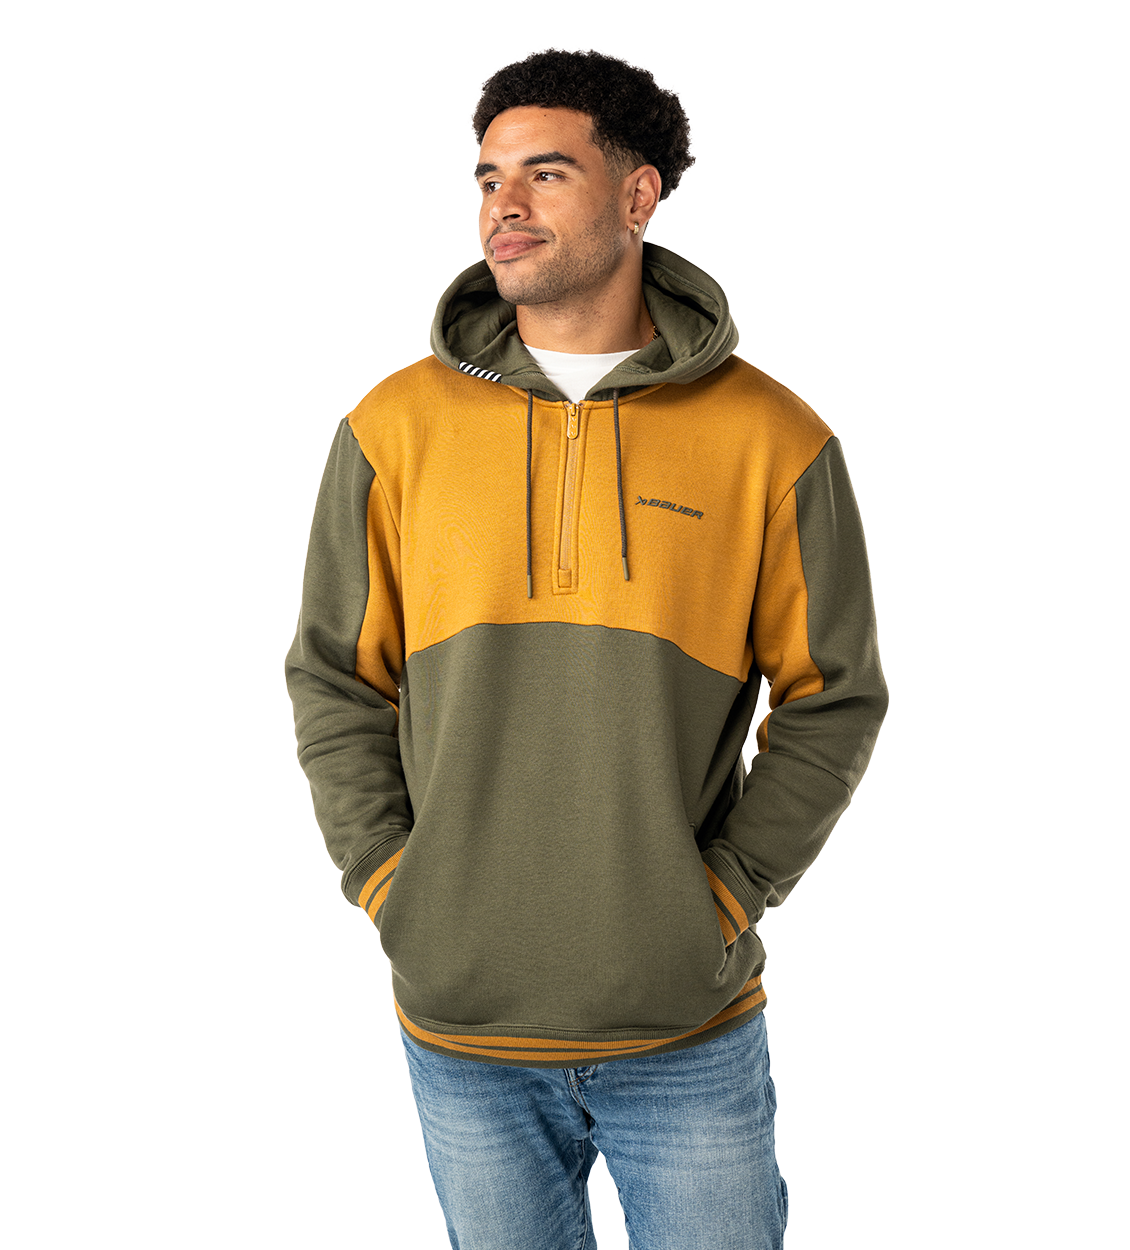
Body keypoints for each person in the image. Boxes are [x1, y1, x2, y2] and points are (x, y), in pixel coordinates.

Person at [286, 47, 888, 1250]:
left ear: (637, 192)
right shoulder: (391, 428)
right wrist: (396, 887)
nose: (502, 204)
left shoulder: (771, 438)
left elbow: (833, 698)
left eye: (544, 173)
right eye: (487, 176)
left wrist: (724, 893)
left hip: (684, 1026)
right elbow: (334, 679)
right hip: (461, 1024)